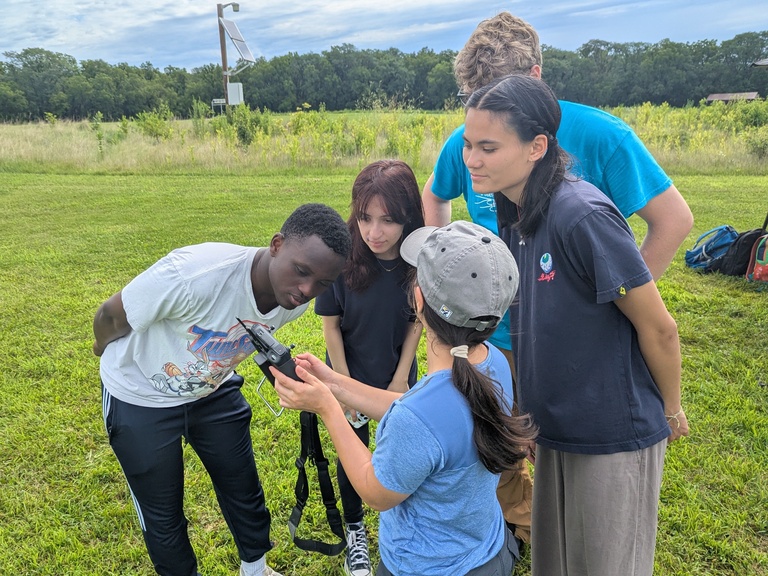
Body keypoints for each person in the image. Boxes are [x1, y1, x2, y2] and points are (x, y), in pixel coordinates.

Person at [421, 11, 694, 544]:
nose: (479, 134)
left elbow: (673, 220)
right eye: (475, 99)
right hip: (495, 336)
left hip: (571, 342)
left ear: (537, 77)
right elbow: (436, 192)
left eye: (499, 96)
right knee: (498, 443)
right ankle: (521, 527)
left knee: (570, 455)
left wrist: (612, 304)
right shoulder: (474, 140)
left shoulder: (601, 137)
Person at [463, 73, 690, 575]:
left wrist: (671, 411)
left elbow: (660, 329)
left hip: (611, 434)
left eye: (487, 147)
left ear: (536, 147)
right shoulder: (516, 212)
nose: (471, 159)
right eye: (467, 144)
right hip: (557, 431)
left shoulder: (581, 215)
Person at [92, 203, 351, 576]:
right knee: (163, 514)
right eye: (301, 271)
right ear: (277, 244)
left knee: (243, 488)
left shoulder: (292, 301)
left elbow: (248, 334)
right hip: (140, 397)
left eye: (323, 283)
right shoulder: (193, 275)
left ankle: (255, 569)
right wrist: (102, 352)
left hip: (211, 392)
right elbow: (111, 315)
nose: (306, 290)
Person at [272, 221, 538, 576]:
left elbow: (375, 491)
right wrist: (335, 384)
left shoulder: (418, 418)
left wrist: (327, 409)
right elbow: (421, 419)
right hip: (485, 552)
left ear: (418, 299)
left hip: (423, 568)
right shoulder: (491, 363)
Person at [314, 160, 425, 576]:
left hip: (398, 371)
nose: (374, 232)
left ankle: (402, 523)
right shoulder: (343, 255)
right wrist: (342, 390)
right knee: (351, 453)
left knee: (401, 450)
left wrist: (401, 377)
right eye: (365, 218)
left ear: (409, 217)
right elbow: (330, 326)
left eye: (388, 220)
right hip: (348, 371)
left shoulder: (420, 258)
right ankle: (356, 531)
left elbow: (418, 321)